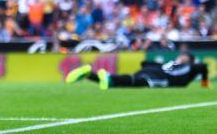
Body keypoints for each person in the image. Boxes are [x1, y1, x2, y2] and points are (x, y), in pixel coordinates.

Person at [66, 53, 211, 89]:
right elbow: (203, 66)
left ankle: (89, 75)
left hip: (153, 70)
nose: (181, 57)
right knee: (139, 82)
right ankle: (109, 77)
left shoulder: (174, 63)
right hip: (162, 77)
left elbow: (145, 62)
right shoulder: (189, 66)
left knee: (129, 80)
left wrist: (152, 65)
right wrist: (204, 83)